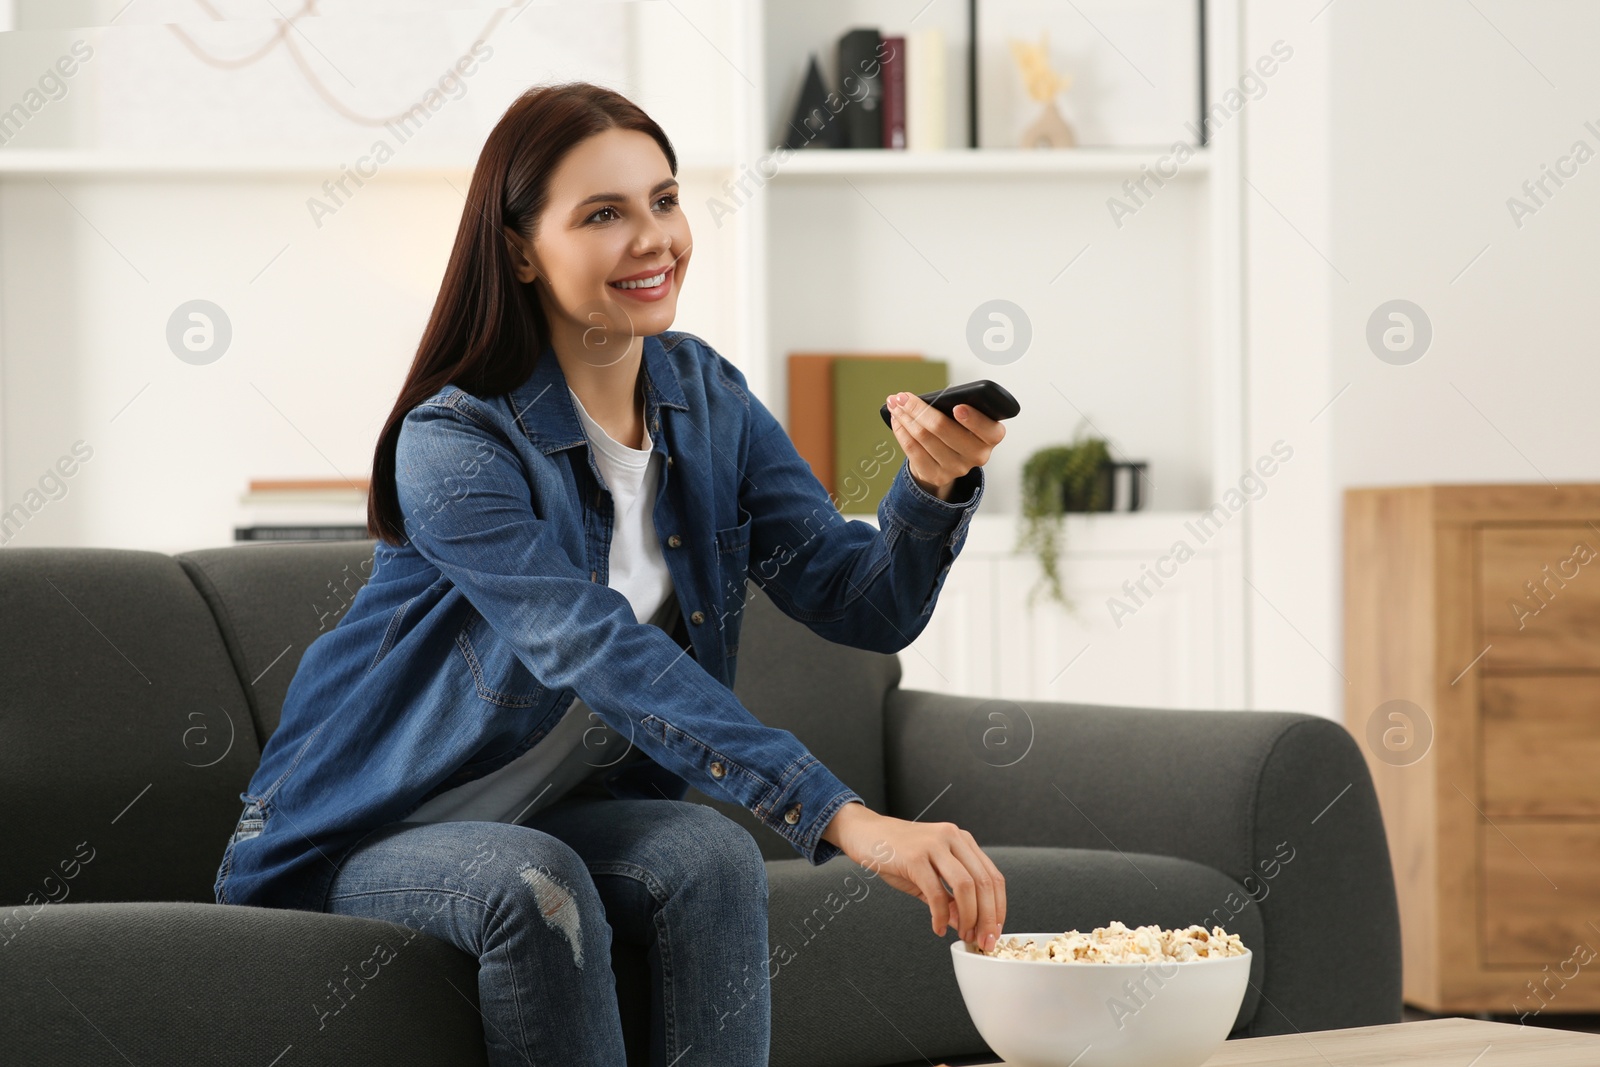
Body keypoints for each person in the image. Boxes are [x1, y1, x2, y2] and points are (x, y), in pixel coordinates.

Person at [212, 81, 1009, 1067]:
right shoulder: (455, 439)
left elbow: (862, 601)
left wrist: (928, 489)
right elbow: (595, 645)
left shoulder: (704, 396)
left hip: (554, 818)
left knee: (709, 851)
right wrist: (845, 816)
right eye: (602, 214)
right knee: (526, 879)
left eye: (664, 201)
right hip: (361, 833)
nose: (654, 239)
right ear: (517, 247)